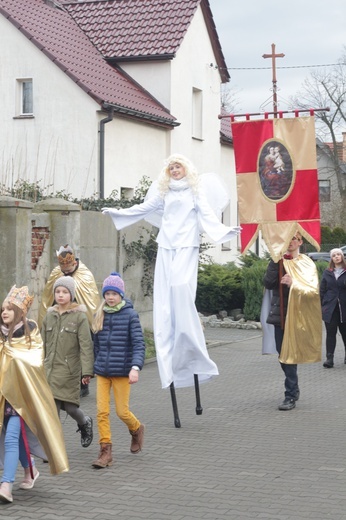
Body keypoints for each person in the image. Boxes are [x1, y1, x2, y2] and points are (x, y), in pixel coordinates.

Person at [102, 154, 241, 390]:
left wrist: (224, 231)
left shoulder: (195, 192)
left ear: (186, 169)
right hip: (167, 244)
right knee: (166, 294)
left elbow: (207, 215)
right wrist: (118, 212)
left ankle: (189, 330)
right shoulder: (164, 192)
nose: (175, 170)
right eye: (172, 167)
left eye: (178, 166)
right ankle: (171, 340)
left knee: (181, 287)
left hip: (187, 244)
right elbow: (144, 208)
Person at [0, 285, 69, 504]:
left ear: (20, 311)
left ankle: (6, 485)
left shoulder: (30, 333)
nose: (4, 312)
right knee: (16, 439)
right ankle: (30, 469)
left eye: (10, 309)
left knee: (11, 437)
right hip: (3, 396)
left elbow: (34, 363)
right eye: (2, 309)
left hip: (22, 395)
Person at [91, 272, 146, 468]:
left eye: (114, 293)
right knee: (101, 412)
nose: (111, 297)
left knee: (122, 412)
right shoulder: (99, 315)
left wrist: (135, 367)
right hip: (103, 372)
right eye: (107, 293)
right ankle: (105, 451)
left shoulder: (130, 315)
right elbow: (95, 345)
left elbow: (139, 343)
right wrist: (91, 368)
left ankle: (137, 428)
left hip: (122, 371)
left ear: (121, 295)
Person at [263, 232, 322, 410]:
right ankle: (293, 390)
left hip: (297, 315)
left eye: (294, 239)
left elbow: (313, 291)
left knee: (290, 356)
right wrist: (275, 261)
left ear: (300, 242)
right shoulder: (278, 260)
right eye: (287, 239)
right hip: (279, 316)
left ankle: (290, 394)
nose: (290, 243)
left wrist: (293, 283)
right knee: (283, 355)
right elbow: (268, 283)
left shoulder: (306, 263)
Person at [38, 244, 100, 398]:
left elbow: (90, 298)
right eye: (62, 270)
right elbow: (49, 296)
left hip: (80, 319)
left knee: (80, 350)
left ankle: (82, 384)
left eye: (68, 270)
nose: (65, 272)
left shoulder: (84, 273)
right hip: (59, 318)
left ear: (74, 263)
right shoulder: (56, 273)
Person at [41, 277, 94, 448]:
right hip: (50, 370)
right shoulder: (49, 316)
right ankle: (53, 450)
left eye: (65, 292)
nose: (61, 295)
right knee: (52, 410)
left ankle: (85, 421)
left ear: (71, 294)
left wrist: (86, 372)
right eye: (58, 292)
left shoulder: (79, 317)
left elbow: (86, 345)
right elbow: (41, 344)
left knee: (71, 408)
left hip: (69, 371)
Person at [320, 248, 346, 368]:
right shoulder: (327, 272)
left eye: (338, 254)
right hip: (330, 308)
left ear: (342, 257)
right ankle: (329, 358)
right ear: (331, 258)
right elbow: (322, 290)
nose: (336, 256)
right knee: (330, 333)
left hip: (344, 308)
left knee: (345, 333)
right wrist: (323, 305)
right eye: (334, 255)